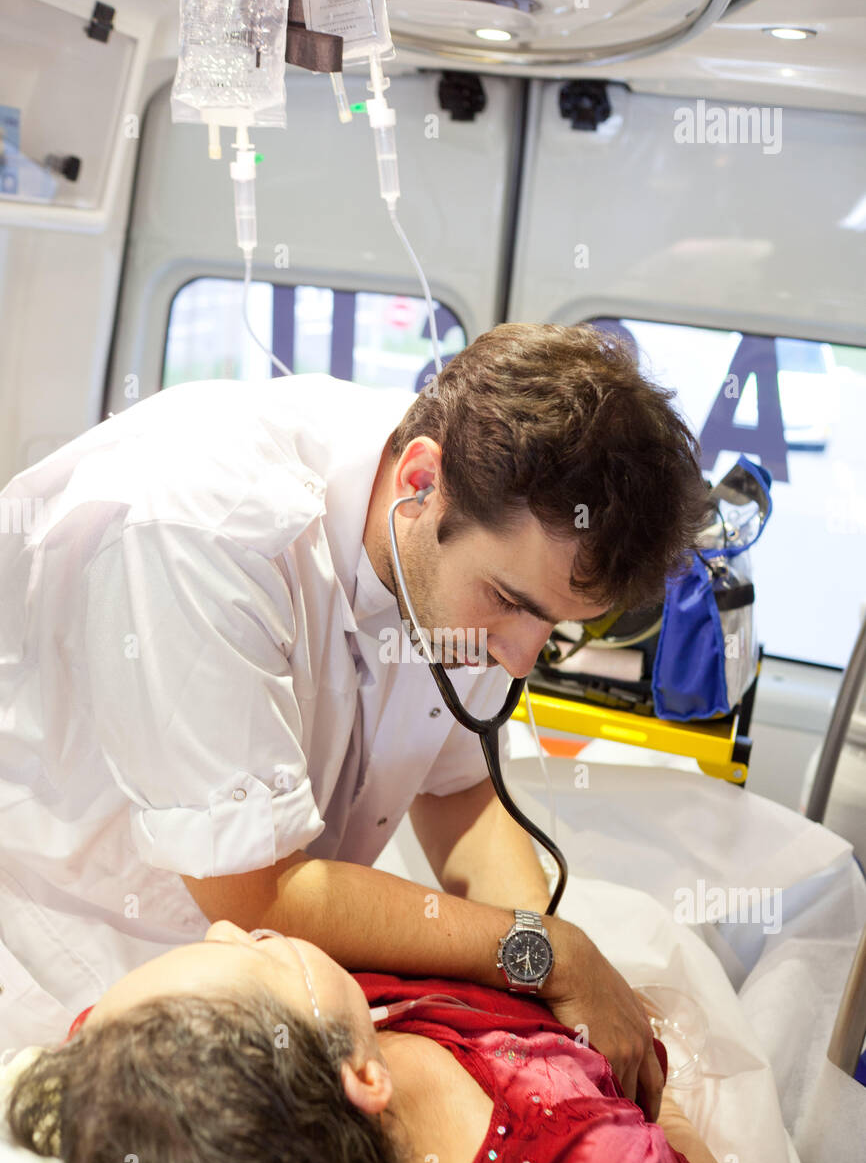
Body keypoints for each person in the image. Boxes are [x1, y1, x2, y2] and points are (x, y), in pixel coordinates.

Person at [0, 322, 711, 1116]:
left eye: (554, 627)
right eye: (509, 603)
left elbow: (459, 797)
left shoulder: (468, 537)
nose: (518, 659)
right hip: (60, 934)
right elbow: (258, 895)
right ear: (419, 479)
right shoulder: (202, 528)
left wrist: (546, 994)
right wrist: (544, 954)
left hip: (275, 959)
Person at [3, 920, 753, 1163]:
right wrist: (666, 1096)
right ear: (363, 1075)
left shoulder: (145, 1070)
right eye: (260, 953)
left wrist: (546, 946)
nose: (229, 925)